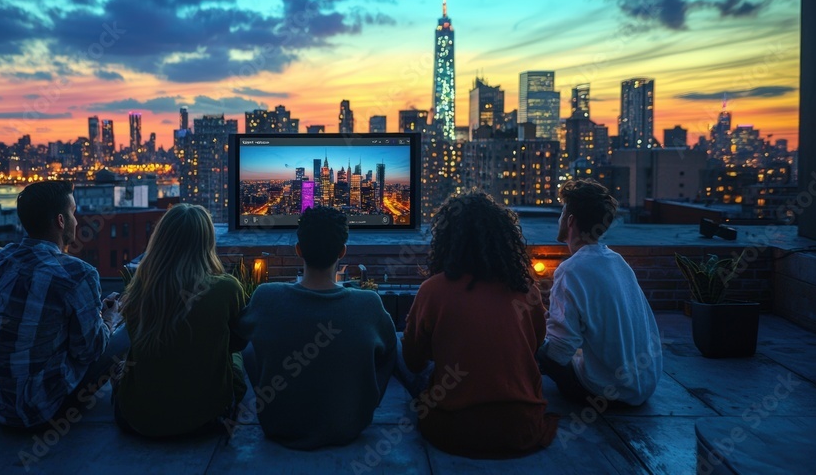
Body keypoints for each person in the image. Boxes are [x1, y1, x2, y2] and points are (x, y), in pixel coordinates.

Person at [399, 191, 557, 458]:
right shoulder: (524, 289)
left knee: (393, 346)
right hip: (522, 430)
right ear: (503, 238)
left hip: (452, 431)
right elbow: (536, 344)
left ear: (447, 239)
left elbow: (413, 361)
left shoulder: (433, 290)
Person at [231, 206, 397, 450]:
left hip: (278, 426)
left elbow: (235, 340)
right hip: (349, 427)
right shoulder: (368, 304)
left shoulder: (267, 297)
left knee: (247, 351)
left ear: (298, 250)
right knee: (391, 348)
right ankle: (352, 404)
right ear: (342, 251)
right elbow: (389, 352)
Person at [0, 180, 126, 429]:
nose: (77, 221)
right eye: (73, 213)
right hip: (41, 411)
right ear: (61, 221)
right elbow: (91, 351)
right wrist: (111, 318)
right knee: (124, 332)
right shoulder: (77, 273)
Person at [113, 204, 247, 437]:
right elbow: (239, 341)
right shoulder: (226, 288)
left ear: (160, 241)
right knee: (236, 354)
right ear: (207, 243)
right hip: (209, 419)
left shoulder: (139, 290)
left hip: (137, 420)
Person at [537, 178, 662, 406]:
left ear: (570, 220)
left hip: (610, 392)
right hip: (645, 384)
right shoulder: (618, 261)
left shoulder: (571, 270)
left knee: (538, 349)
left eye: (562, 212)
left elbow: (558, 353)